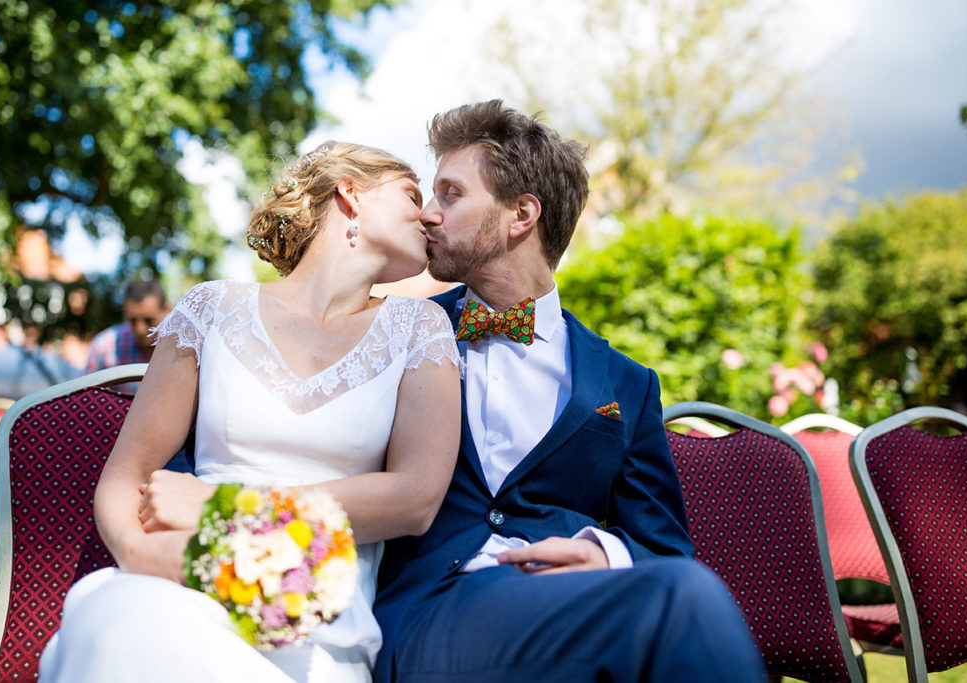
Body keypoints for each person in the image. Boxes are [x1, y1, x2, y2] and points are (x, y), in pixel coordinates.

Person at [369, 100, 767, 682]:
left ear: (521, 215)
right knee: (683, 598)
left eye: (450, 194)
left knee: (681, 591)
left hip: (576, 616)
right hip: (429, 615)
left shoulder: (628, 384)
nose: (428, 214)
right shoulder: (395, 332)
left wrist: (607, 555)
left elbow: (664, 546)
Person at [38, 141, 462, 683]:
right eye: (412, 195)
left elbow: (415, 498)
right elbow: (126, 474)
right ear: (351, 193)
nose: (430, 215)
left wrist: (224, 508)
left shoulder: (421, 328)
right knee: (124, 627)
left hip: (310, 611)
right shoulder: (211, 308)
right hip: (180, 574)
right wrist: (142, 555)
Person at [84, 278, 170, 372]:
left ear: (167, 311)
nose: (140, 329)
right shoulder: (103, 347)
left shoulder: (178, 349)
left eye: (148, 320)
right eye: (132, 320)